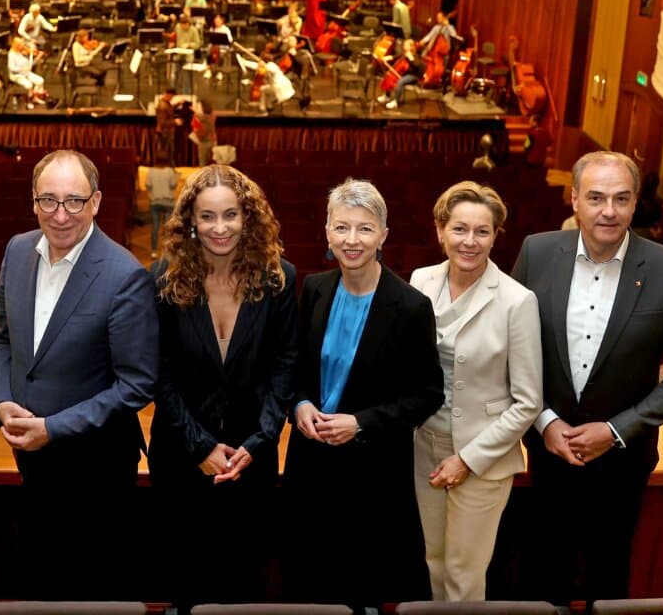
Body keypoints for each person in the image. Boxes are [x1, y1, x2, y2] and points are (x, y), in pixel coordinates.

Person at [511, 151, 663, 606]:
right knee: (542, 577)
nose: (609, 211)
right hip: (547, 454)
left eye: (621, 198)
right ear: (574, 199)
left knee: (608, 580)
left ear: (636, 202)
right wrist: (544, 421)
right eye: (596, 197)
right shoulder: (536, 253)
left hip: (624, 462)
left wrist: (616, 431)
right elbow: (511, 349)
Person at [0, 150, 158, 597]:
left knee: (94, 588)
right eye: (48, 200)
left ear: (96, 201)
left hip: (96, 469)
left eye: (74, 201)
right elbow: (2, 339)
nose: (60, 215)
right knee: (43, 581)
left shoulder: (124, 274)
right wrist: (2, 400)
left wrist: (53, 428)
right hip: (32, 460)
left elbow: (137, 384)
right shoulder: (18, 249)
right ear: (33, 201)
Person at [283, 179, 443, 607]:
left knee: (361, 586)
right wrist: (298, 404)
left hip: (371, 473)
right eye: (342, 227)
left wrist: (361, 423)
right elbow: (295, 370)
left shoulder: (410, 305)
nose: (352, 240)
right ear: (327, 232)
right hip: (311, 464)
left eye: (365, 229)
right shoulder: (315, 289)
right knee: (308, 581)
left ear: (383, 236)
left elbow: (428, 393)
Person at [149, 164, 297, 606]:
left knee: (245, 582)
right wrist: (201, 448)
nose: (220, 228)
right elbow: (161, 375)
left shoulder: (278, 279)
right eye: (208, 216)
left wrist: (258, 440)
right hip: (181, 458)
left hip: (252, 459)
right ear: (190, 221)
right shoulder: (162, 279)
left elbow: (286, 368)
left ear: (247, 217)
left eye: (230, 215)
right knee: (184, 581)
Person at [409, 181, 543, 601]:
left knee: (464, 573)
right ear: (440, 231)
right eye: (459, 229)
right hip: (424, 446)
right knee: (433, 559)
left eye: (482, 231)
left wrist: (466, 459)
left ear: (496, 236)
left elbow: (528, 402)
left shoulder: (517, 301)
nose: (469, 241)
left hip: (482, 457)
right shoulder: (419, 281)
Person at [145, 153, 178, 260]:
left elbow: (148, 185)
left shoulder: (150, 171)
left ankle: (154, 251)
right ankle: (167, 251)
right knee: (168, 228)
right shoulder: (170, 171)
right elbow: (173, 185)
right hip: (168, 202)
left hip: (155, 202)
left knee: (155, 227)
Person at [191, 99, 217, 167]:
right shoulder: (212, 115)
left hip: (204, 140)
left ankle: (203, 176)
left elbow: (198, 122)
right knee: (212, 161)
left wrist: (195, 111)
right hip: (213, 140)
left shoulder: (199, 117)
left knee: (202, 162)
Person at [155, 87, 179, 160]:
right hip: (165, 132)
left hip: (167, 132)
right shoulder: (162, 106)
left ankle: (169, 169)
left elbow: (169, 109)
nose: (172, 99)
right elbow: (162, 122)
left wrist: (177, 104)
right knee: (167, 152)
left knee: (169, 151)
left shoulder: (165, 103)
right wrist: (175, 121)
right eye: (172, 97)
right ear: (168, 95)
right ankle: (168, 169)